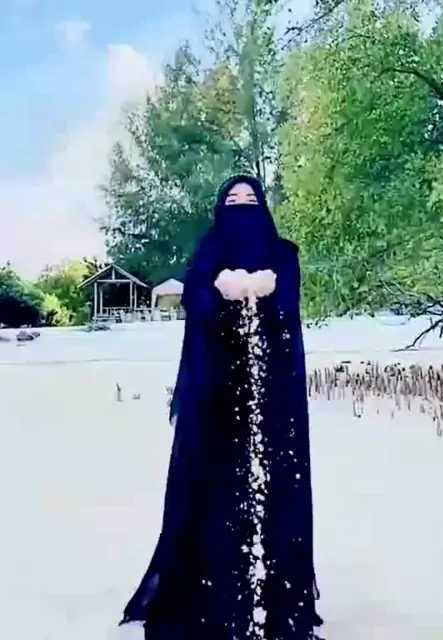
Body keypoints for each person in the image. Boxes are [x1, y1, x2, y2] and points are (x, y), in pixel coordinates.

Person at [119, 174, 323, 639]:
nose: (242, 206)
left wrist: (266, 290)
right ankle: (212, 600)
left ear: (264, 207)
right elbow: (197, 307)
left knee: (276, 492)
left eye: (251, 199)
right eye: (233, 199)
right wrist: (222, 290)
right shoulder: (208, 254)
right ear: (219, 208)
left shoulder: (284, 255)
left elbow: (286, 312)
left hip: (273, 398)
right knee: (215, 492)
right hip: (215, 396)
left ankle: (274, 600)